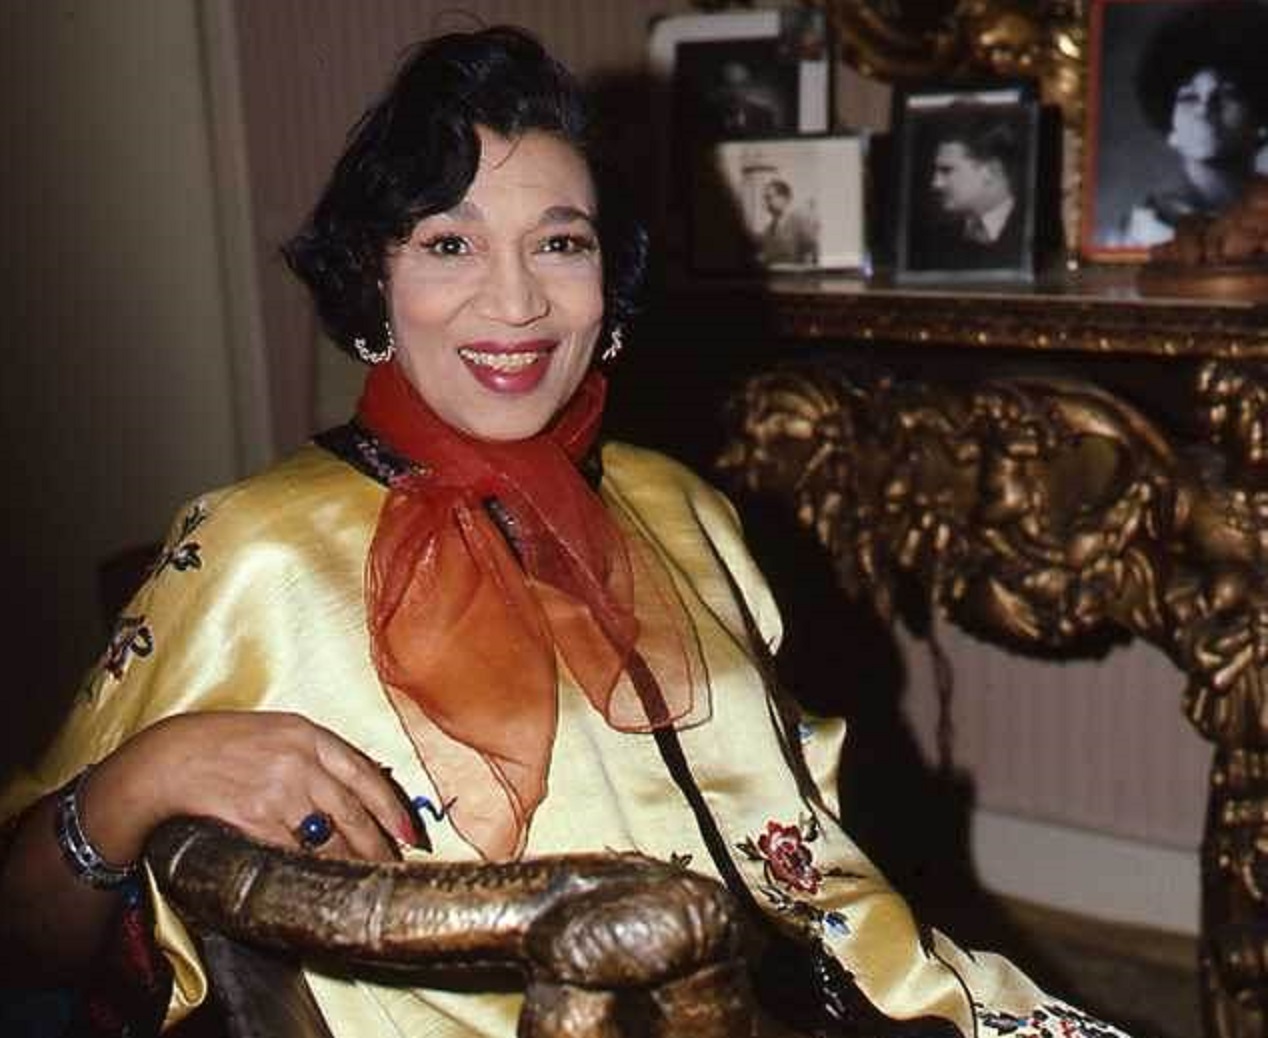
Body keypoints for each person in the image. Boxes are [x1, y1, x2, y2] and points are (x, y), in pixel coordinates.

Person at [0, 26, 1132, 1038]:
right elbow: (18, 943)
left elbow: (815, 859)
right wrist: (135, 783)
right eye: (448, 244)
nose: (516, 303)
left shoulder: (680, 506)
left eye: (560, 242)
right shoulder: (255, 552)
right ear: (370, 283)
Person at [1115, 1, 1268, 249]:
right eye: (1189, 97)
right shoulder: (1142, 230)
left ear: (1261, 121)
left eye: (1227, 94)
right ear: (1171, 129)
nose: (1205, 108)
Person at [907, 104, 1027, 273]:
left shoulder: (1031, 237)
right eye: (936, 171)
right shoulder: (933, 243)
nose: (936, 183)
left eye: (946, 170)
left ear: (990, 170)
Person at [757, 178, 819, 266]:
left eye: (769, 198)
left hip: (797, 277)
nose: (766, 203)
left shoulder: (800, 222)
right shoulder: (768, 230)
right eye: (765, 199)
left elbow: (811, 255)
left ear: (785, 198)